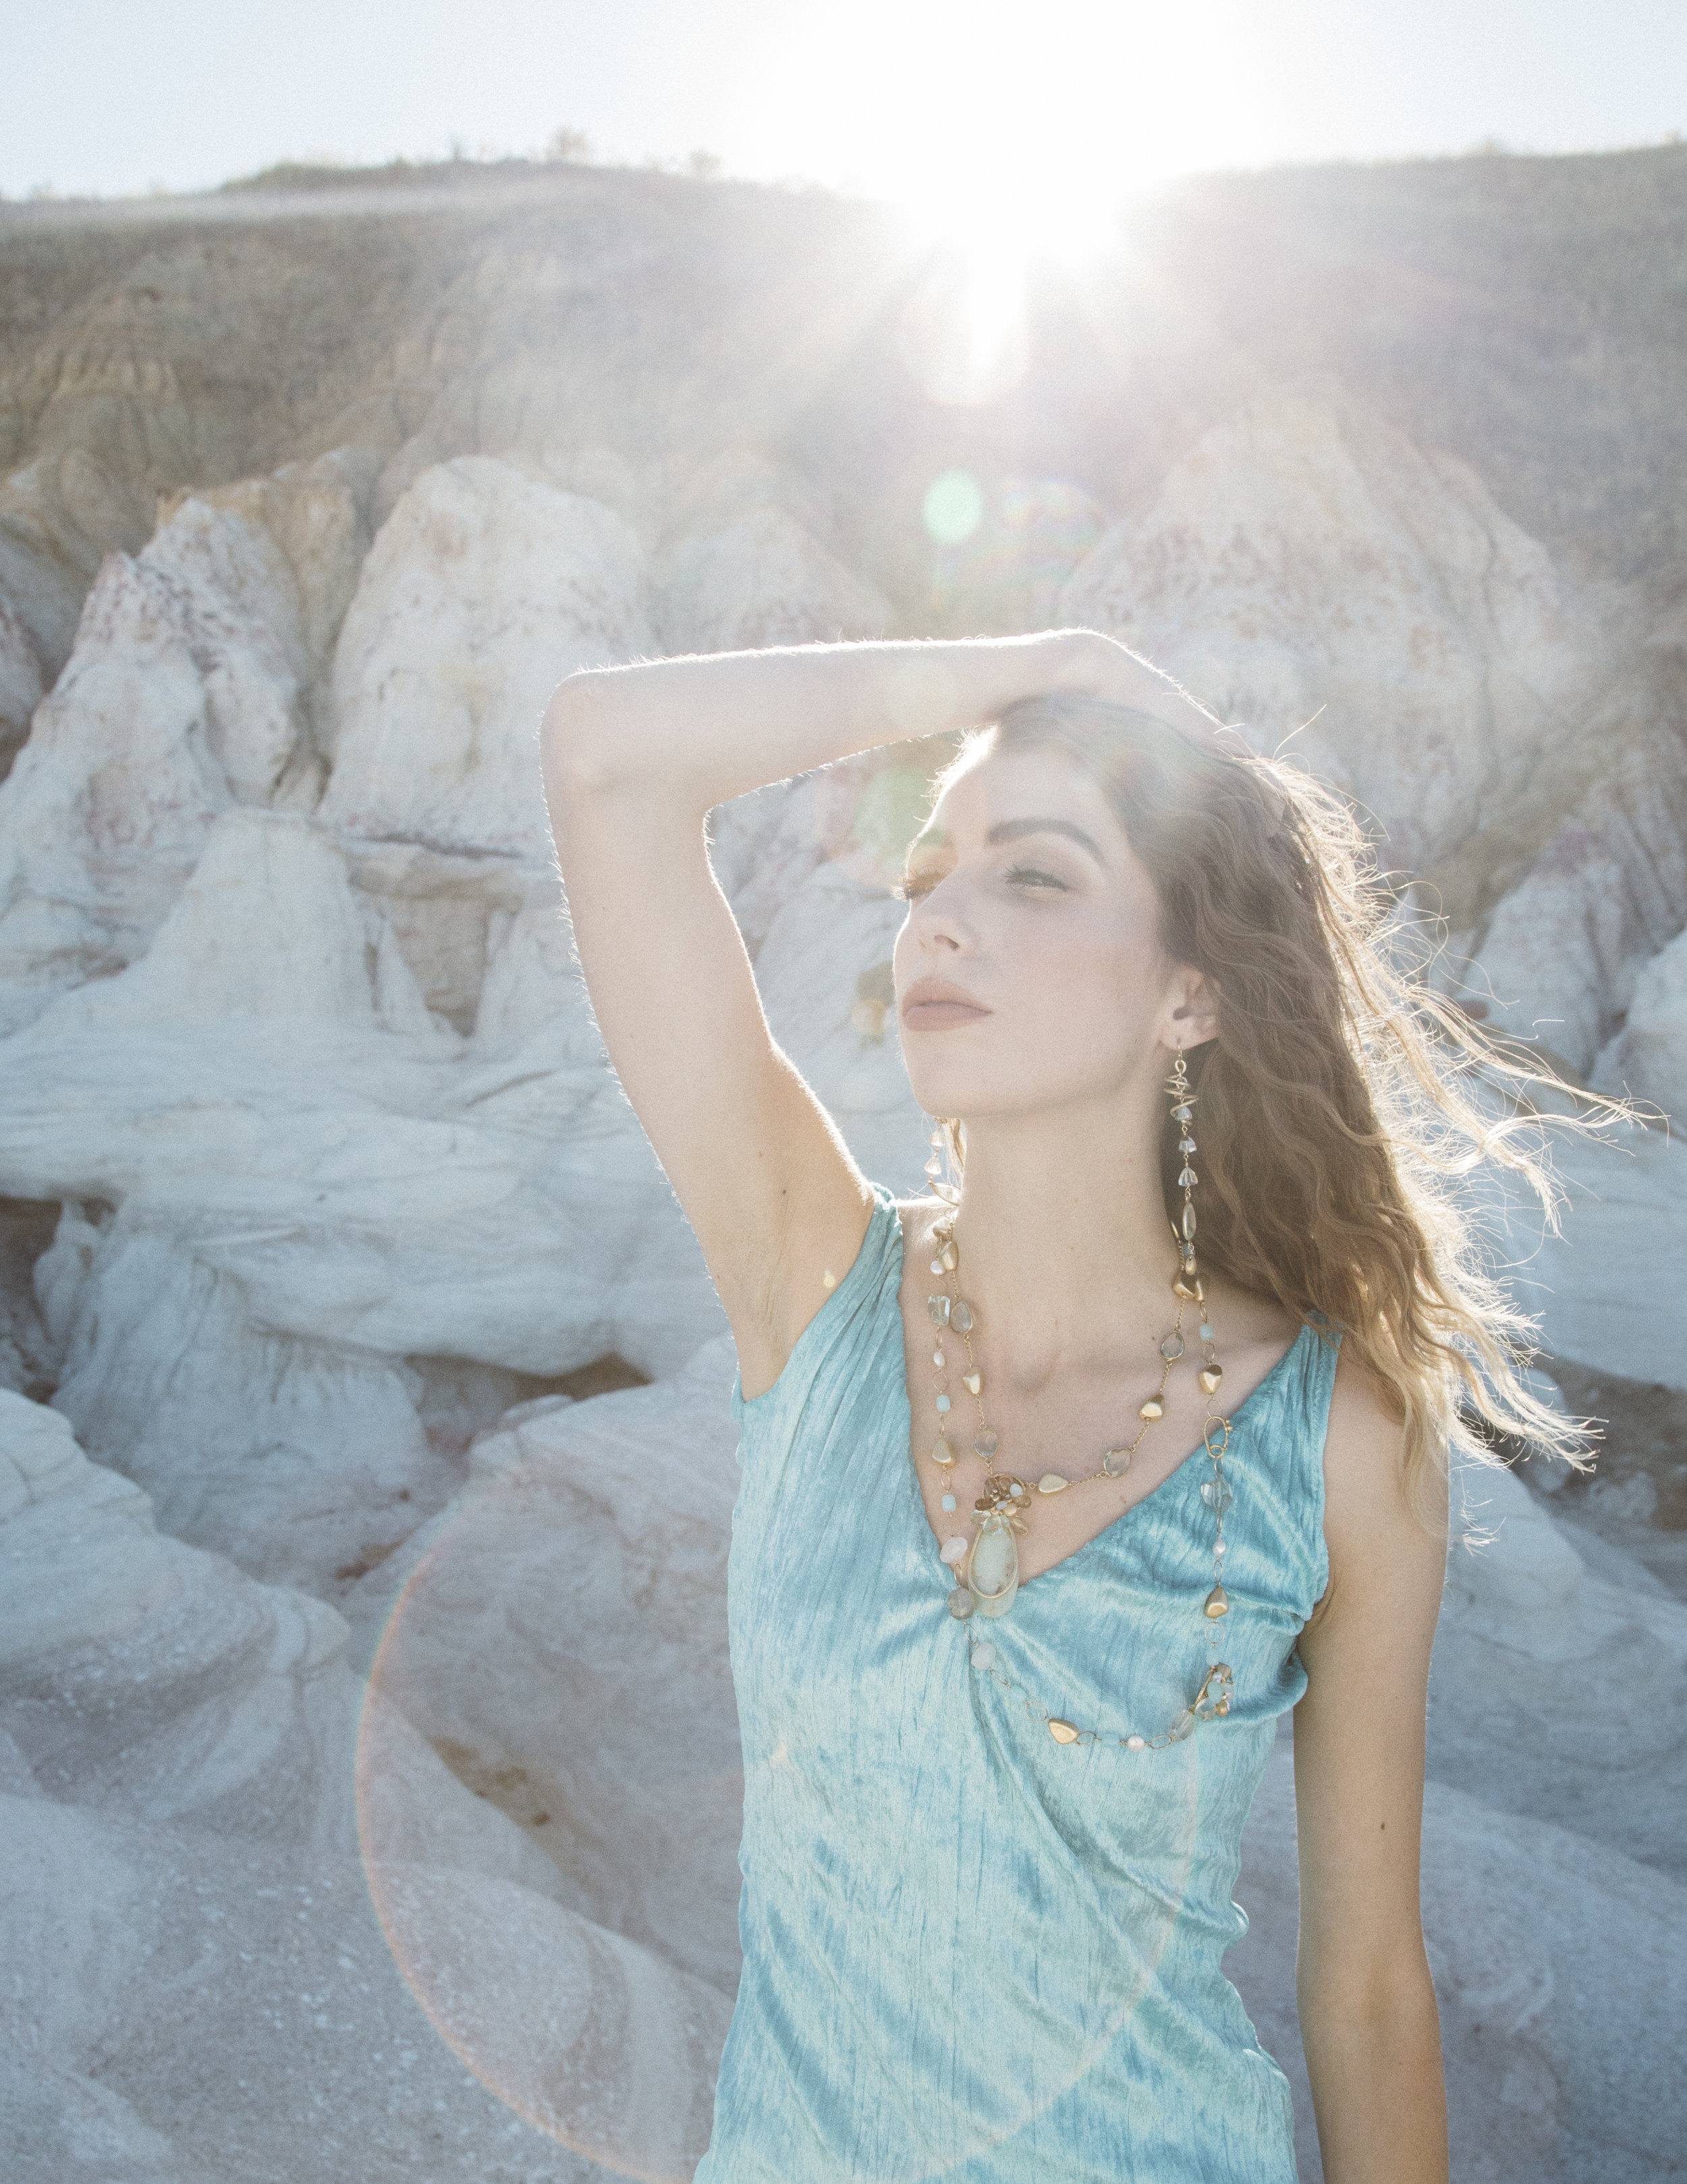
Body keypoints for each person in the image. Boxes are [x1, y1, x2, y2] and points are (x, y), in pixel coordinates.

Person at [541, 628, 1579, 2184]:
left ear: (1190, 995)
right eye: (924, 879)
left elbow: (1364, 1994)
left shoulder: (1342, 1435)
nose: (942, 920)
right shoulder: (813, 1286)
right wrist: (1042, 664)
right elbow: (602, 758)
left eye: (1032, 877)